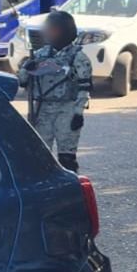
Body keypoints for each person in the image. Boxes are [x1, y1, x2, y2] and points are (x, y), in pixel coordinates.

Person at [18, 9, 93, 173]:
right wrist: (26, 68)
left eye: (52, 29)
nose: (47, 32)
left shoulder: (77, 58)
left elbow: (84, 87)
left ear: (64, 31)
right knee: (40, 155)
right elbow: (22, 81)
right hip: (42, 110)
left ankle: (71, 184)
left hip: (67, 110)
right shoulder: (39, 55)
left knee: (67, 158)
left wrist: (78, 113)